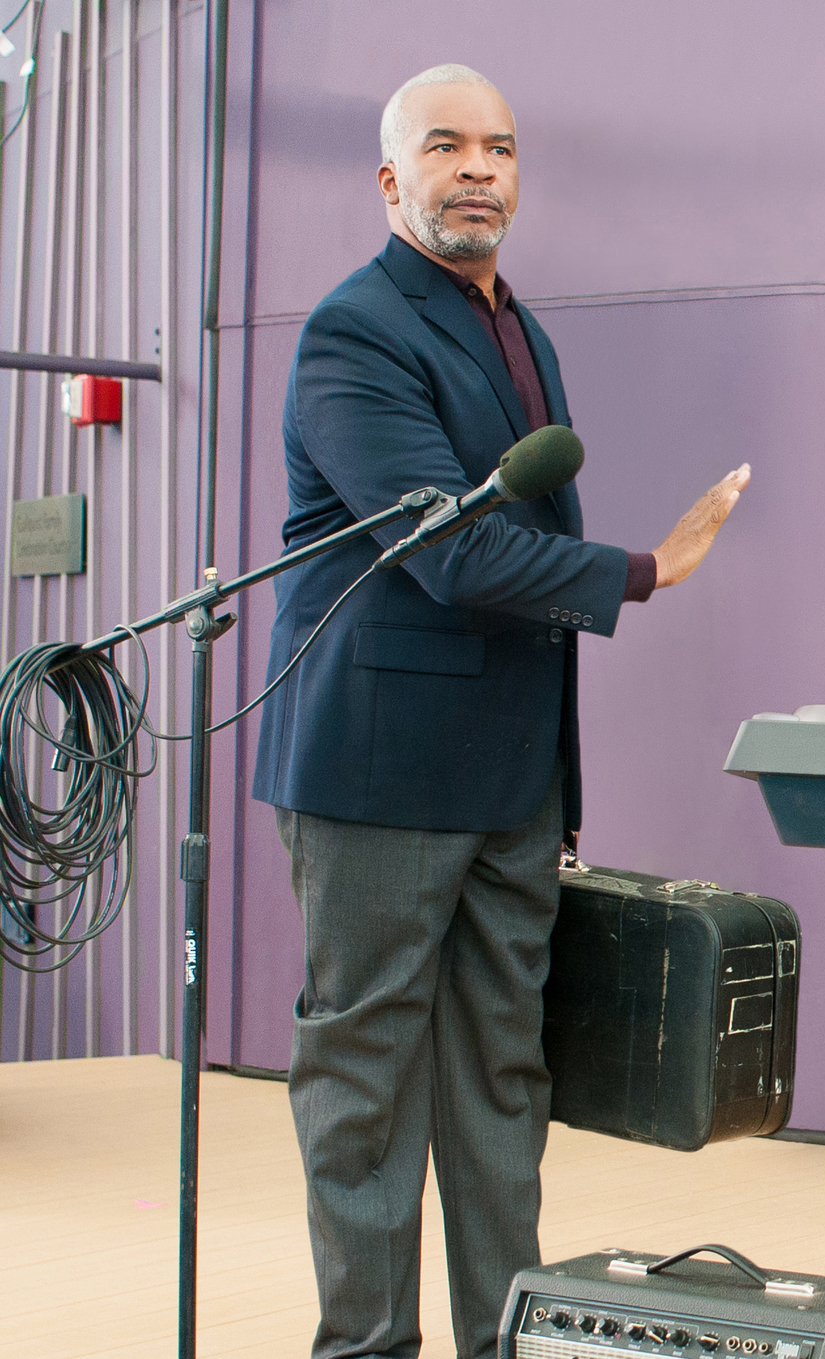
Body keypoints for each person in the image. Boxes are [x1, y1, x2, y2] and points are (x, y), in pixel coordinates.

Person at [251, 64, 750, 1359]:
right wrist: (645, 569)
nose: (480, 167)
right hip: (377, 776)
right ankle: (364, 1343)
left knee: (501, 1084)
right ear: (389, 179)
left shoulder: (523, 328)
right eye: (447, 146)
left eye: (502, 148)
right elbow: (452, 551)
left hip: (515, 781)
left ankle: (502, 1338)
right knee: (365, 1088)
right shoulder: (354, 331)